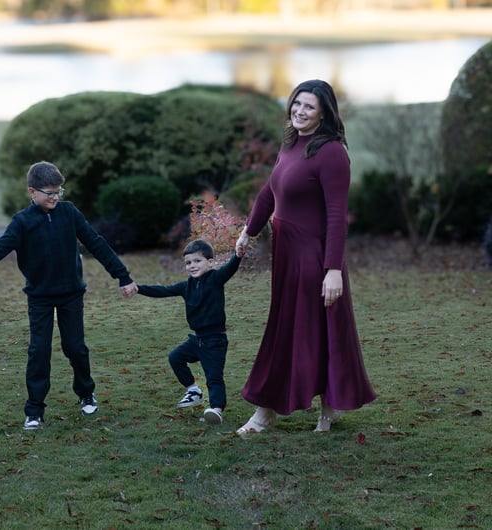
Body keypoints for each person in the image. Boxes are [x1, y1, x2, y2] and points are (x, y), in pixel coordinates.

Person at [234, 79, 376, 434]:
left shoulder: (332, 153)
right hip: (287, 255)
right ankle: (302, 409)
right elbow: (271, 191)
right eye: (297, 103)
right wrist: (249, 230)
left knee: (307, 332)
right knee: (302, 330)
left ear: (324, 113)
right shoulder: (291, 143)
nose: (300, 111)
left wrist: (333, 270)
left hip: (313, 257)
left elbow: (337, 216)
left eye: (309, 106)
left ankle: (274, 412)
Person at [0, 161, 138, 430]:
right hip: (40, 297)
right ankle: (34, 410)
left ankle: (86, 393)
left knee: (75, 347)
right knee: (39, 351)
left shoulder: (69, 213)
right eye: (50, 193)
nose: (56, 197)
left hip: (71, 294)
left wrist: (122, 276)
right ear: (32, 192)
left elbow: (95, 242)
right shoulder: (22, 222)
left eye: (59, 192)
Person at [135, 239, 242, 425]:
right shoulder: (186, 286)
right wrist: (137, 289)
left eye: (197, 261)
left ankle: (216, 410)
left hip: (214, 341)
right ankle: (193, 390)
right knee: (175, 357)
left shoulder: (216, 279)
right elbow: (163, 290)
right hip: (197, 340)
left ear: (210, 262)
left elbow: (230, 268)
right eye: (188, 263)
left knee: (213, 378)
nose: (192, 266)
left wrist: (238, 255)